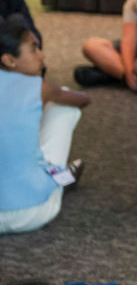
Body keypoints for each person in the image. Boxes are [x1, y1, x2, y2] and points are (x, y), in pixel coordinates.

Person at [1, 20, 89, 234]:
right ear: (9, 60)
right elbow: (83, 100)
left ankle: (55, 175)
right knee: (65, 107)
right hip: (31, 212)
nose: (42, 56)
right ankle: (63, 179)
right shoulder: (41, 87)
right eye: (34, 49)